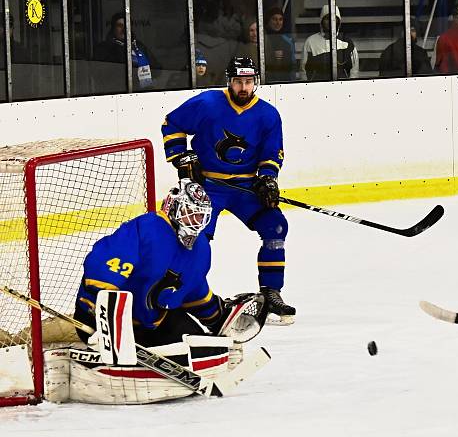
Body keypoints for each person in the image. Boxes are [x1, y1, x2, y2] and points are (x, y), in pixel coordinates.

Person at [65, 179, 266, 404]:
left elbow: (193, 290)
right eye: (190, 214)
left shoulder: (199, 249)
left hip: (151, 323)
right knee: (174, 352)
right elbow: (104, 265)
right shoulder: (147, 227)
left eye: (201, 217)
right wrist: (101, 317)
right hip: (101, 320)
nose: (196, 222)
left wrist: (217, 316)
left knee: (200, 346)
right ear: (173, 206)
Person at [161, 56, 295, 323]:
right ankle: (187, 295)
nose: (243, 88)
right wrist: (182, 157)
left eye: (248, 82)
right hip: (208, 185)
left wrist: (267, 179)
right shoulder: (207, 103)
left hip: (245, 187)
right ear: (229, 82)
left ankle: (271, 293)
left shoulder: (268, 114)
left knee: (276, 226)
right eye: (238, 82)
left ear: (255, 82)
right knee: (195, 239)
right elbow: (171, 123)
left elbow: (271, 153)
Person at [93, 12, 159, 90]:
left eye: (127, 25)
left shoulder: (138, 45)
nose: (124, 29)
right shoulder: (104, 48)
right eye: (120, 26)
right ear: (113, 28)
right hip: (116, 94)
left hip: (142, 92)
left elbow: (157, 67)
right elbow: (100, 75)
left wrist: (146, 78)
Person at [300, 4, 359, 81]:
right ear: (322, 20)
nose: (331, 21)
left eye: (334, 18)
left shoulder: (347, 43)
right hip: (318, 89)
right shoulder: (310, 42)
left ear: (338, 21)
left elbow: (354, 70)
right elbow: (303, 70)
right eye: (327, 18)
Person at [263, 6, 295, 82]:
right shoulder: (263, 39)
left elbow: (292, 65)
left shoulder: (288, 41)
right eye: (274, 19)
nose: (278, 23)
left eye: (280, 19)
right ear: (268, 20)